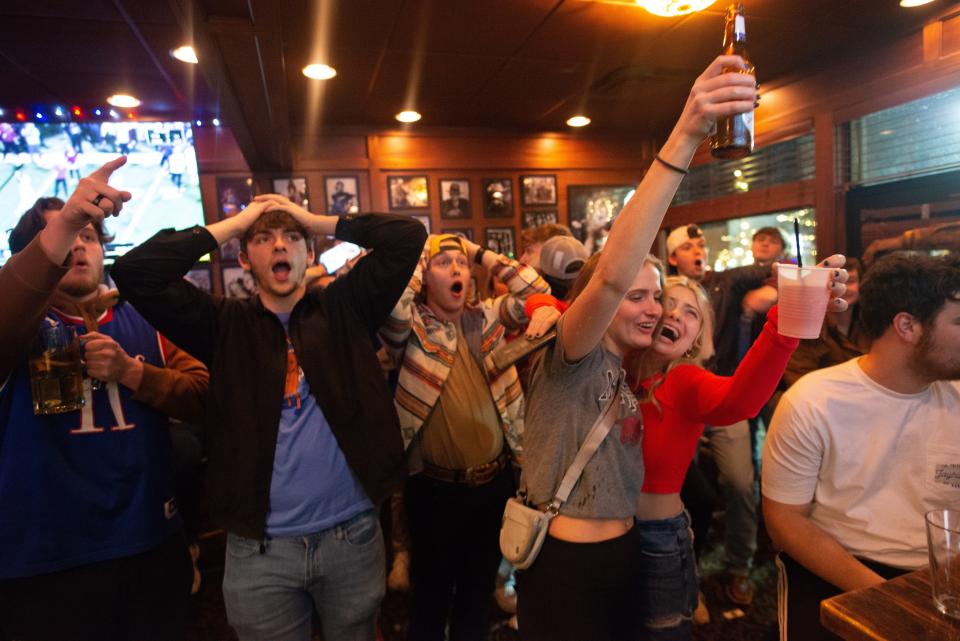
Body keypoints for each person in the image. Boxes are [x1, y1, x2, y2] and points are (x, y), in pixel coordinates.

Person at [516, 54, 758, 641]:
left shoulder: (632, 372)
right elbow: (606, 279)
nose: (654, 307)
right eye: (638, 296)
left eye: (660, 297)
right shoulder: (576, 356)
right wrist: (688, 132)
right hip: (567, 569)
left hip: (626, 557)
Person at [112, 193, 426, 641]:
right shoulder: (222, 324)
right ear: (243, 256)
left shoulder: (345, 307)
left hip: (351, 538)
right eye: (263, 238)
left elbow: (406, 237)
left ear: (309, 252)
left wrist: (313, 218)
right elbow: (135, 271)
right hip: (260, 552)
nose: (279, 246)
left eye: (291, 237)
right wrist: (235, 222)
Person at [0, 160, 209, 641]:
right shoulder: (18, 326)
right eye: (60, 235)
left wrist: (132, 372)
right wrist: (69, 219)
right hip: (48, 562)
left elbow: (207, 397)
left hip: (151, 544)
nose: (77, 245)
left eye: (89, 236)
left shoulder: (145, 318)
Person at [625, 266, 846, 640]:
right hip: (603, 535)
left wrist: (786, 319)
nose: (675, 313)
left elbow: (740, 399)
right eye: (666, 301)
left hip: (655, 540)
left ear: (696, 339)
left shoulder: (685, 381)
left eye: (691, 313)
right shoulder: (611, 371)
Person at [762, 252, 960, 641]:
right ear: (907, 326)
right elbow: (785, 521)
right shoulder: (813, 400)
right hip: (837, 568)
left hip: (942, 572)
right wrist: (890, 596)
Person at [378, 233, 550, 641]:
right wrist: (424, 252)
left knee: (476, 595)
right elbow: (394, 306)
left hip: (494, 485)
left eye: (461, 263)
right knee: (431, 596)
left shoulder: (488, 316)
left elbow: (538, 290)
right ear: (425, 277)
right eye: (444, 263)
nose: (456, 269)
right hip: (433, 490)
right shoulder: (412, 328)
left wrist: (479, 252)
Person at [665, 221, 774, 605]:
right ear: (672, 256)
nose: (698, 250)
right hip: (675, 398)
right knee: (677, 491)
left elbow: (767, 268)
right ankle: (682, 570)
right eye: (689, 245)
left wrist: (769, 285)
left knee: (742, 483)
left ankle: (739, 566)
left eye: (701, 245)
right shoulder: (661, 293)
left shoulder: (723, 283)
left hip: (722, 393)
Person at [781, 257, 867, 390]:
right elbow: (798, 379)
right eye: (836, 282)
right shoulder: (810, 324)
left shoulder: (869, 321)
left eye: (850, 281)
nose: (843, 288)